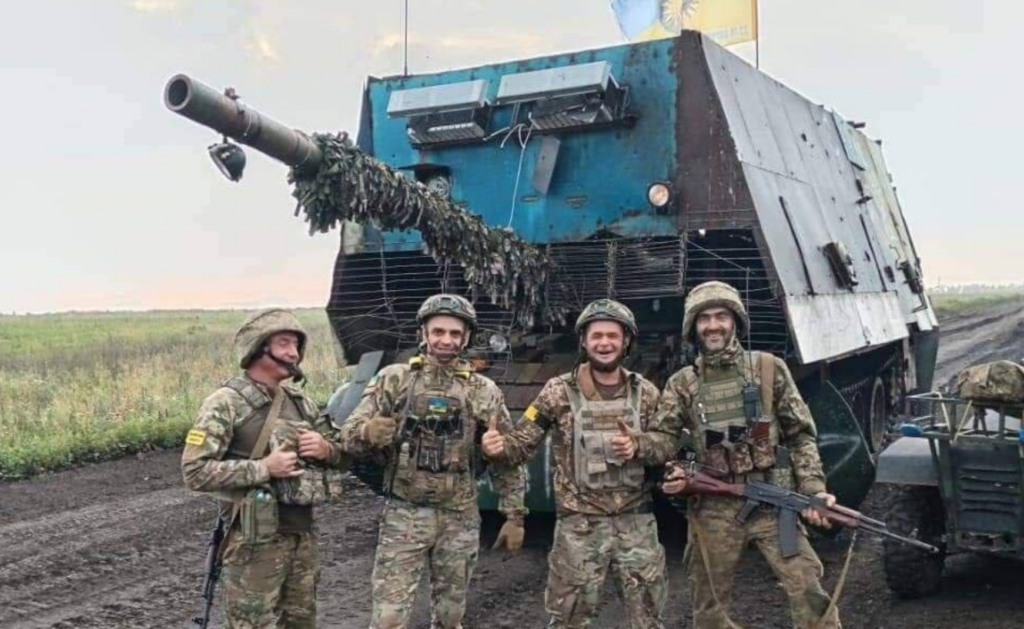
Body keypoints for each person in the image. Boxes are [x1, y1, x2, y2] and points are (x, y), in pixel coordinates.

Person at [652, 281, 841, 629]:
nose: (713, 325)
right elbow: (663, 442)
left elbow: (801, 435)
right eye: (704, 318)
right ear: (693, 327)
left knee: (809, 592)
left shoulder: (769, 369)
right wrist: (656, 459)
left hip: (772, 500)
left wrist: (814, 489)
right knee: (708, 609)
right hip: (713, 507)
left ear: (735, 321)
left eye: (721, 316)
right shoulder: (682, 384)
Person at [339, 294, 526, 629]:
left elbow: (507, 458)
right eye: (438, 331)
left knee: (451, 617)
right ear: (423, 333)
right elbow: (347, 435)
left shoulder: (484, 391)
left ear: (466, 338)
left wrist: (515, 515)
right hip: (404, 515)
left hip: (459, 517)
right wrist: (367, 431)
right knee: (388, 619)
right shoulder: (394, 379)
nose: (446, 340)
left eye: (455, 334)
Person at [482, 298, 671, 629]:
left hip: (636, 524)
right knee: (568, 618)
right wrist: (496, 447)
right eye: (597, 335)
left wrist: (639, 444)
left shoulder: (646, 393)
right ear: (584, 341)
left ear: (626, 340)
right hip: (579, 528)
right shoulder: (558, 392)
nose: (605, 343)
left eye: (613, 336)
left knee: (649, 618)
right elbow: (520, 446)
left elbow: (668, 446)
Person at [182, 308, 349, 629]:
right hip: (253, 544)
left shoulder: (302, 403)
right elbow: (195, 472)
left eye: (297, 345)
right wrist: (263, 468)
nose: (294, 353)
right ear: (258, 348)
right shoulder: (225, 403)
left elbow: (342, 454)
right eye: (284, 343)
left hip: (302, 539)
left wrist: (326, 449)